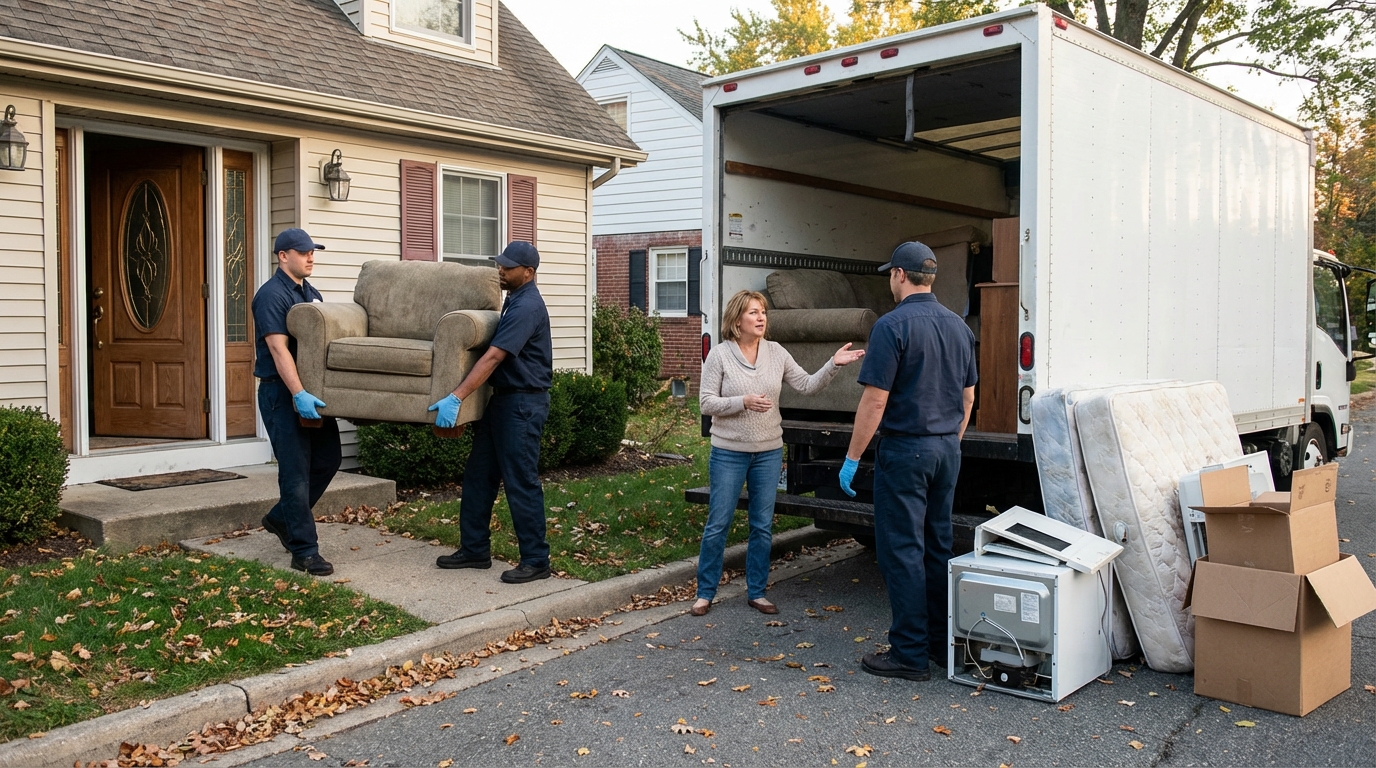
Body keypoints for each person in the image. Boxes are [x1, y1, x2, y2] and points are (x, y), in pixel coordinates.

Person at [838, 241, 977, 681]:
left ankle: (909, 654)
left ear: (900, 275)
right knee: (937, 547)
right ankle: (939, 644)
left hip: (906, 451)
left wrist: (852, 457)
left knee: (902, 551)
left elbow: (875, 402)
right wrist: (950, 439)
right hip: (945, 451)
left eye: (889, 275)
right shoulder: (959, 326)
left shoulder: (891, 326)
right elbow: (968, 395)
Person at [694, 290, 866, 616]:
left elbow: (807, 385)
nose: (761, 318)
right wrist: (742, 402)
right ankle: (705, 593)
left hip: (768, 452)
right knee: (718, 523)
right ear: (737, 320)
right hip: (729, 453)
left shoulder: (776, 352)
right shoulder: (720, 355)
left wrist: (833, 364)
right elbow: (706, 403)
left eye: (763, 313)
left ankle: (757, 591)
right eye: (753, 313)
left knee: (762, 526)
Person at [431, 241, 554, 584]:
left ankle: (536, 559)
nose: (501, 270)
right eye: (500, 264)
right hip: (504, 401)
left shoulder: (527, 305)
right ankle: (474, 550)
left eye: (508, 267)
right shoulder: (514, 299)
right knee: (478, 476)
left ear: (528, 273)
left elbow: (494, 356)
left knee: (521, 482)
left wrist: (456, 396)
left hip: (523, 406)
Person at [253, 228, 341, 577]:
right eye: (303, 252)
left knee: (329, 459)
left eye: (312, 251)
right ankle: (304, 551)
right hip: (281, 393)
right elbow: (278, 349)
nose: (310, 257)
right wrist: (297, 394)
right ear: (283, 256)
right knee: (295, 473)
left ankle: (280, 519)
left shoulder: (310, 293)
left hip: (312, 395)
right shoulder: (271, 295)